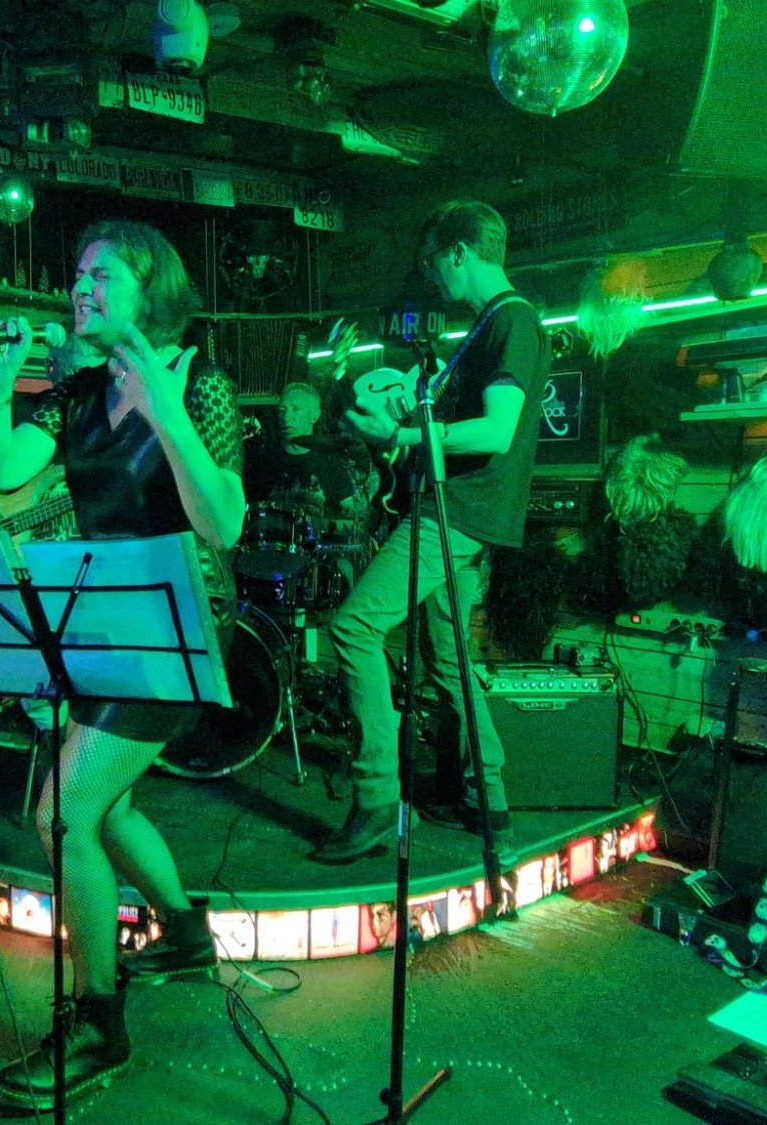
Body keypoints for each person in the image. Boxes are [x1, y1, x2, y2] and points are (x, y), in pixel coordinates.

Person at [0, 220, 245, 1110]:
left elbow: (224, 523)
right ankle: (186, 934)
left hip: (178, 622)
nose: (80, 288)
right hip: (105, 616)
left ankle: (97, 1023)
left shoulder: (199, 384)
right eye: (78, 274)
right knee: (107, 803)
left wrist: (166, 411)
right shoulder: (80, 392)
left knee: (63, 815)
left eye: (103, 276)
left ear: (150, 290)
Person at [310, 200, 547, 864]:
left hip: (456, 514)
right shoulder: (488, 328)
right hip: (463, 512)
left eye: (434, 261)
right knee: (448, 660)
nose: (432, 275)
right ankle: (488, 799)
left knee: (354, 627)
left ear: (459, 252)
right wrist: (391, 432)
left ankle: (376, 798)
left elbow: (497, 431)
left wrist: (408, 434)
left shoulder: (512, 321)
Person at [244, 381, 369, 524]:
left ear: (314, 416)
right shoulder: (263, 462)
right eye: (283, 410)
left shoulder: (331, 463)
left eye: (295, 409)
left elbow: (351, 517)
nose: (286, 416)